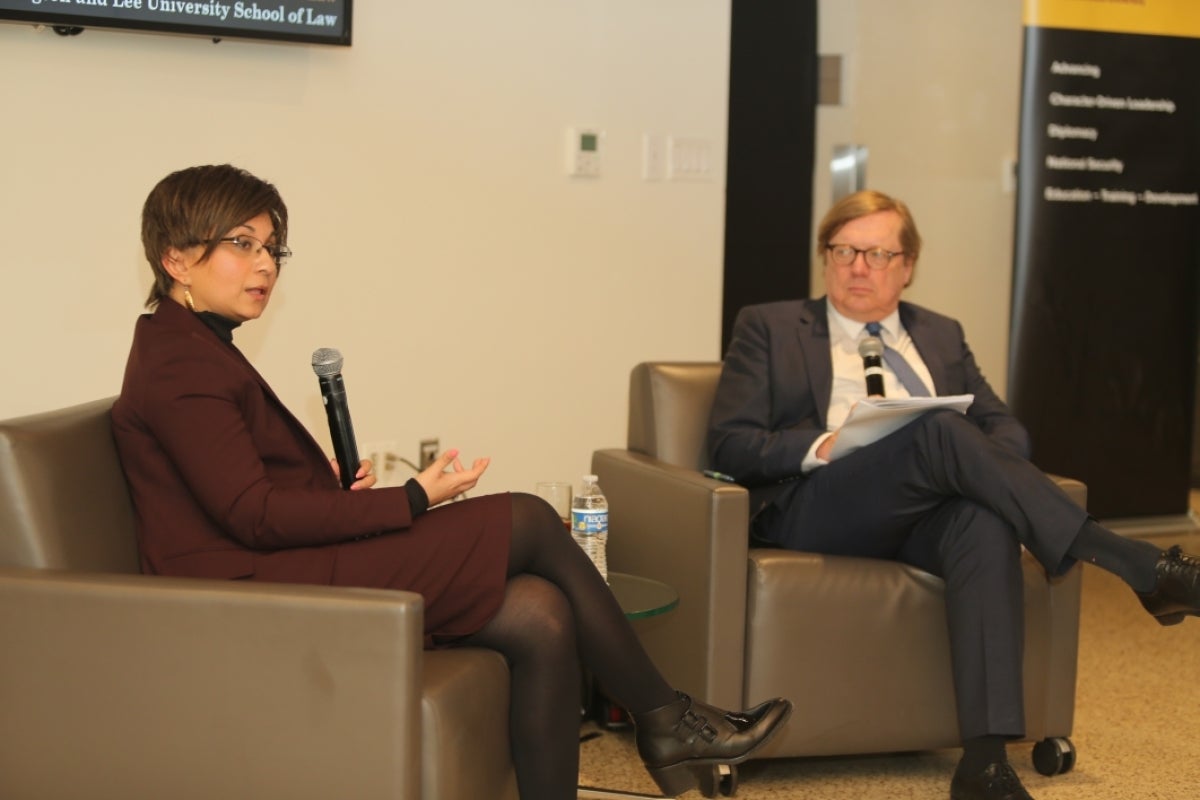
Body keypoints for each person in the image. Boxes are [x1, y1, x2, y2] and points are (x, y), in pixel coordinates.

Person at [111, 164, 791, 800]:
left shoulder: (190, 345)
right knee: (524, 517)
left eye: (272, 247)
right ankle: (666, 721)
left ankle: (661, 730)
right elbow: (251, 516)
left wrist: (338, 501)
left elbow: (242, 496)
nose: (264, 264)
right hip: (241, 592)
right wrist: (409, 499)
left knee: (540, 614)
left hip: (266, 566)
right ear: (176, 258)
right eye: (243, 243)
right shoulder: (182, 363)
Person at [706, 189, 1200, 800]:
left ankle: (984, 763)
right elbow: (730, 443)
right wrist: (828, 445)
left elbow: (1007, 429)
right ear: (825, 257)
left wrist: (979, 471)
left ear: (907, 266)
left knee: (981, 521)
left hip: (920, 512)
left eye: (878, 254)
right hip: (817, 503)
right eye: (844, 251)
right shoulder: (771, 326)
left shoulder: (940, 334)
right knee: (939, 429)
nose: (859, 267)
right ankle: (1137, 564)